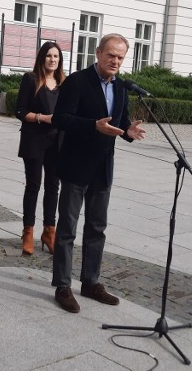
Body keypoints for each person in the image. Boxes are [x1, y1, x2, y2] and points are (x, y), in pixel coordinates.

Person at [51, 33, 146, 313]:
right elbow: (61, 119)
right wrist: (93, 125)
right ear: (98, 53)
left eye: (120, 57)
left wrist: (128, 131)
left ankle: (91, 281)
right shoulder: (78, 81)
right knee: (67, 228)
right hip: (75, 165)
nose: (115, 61)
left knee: (97, 228)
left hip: (103, 167)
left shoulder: (121, 87)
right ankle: (63, 285)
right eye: (111, 55)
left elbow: (121, 120)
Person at [14, 42, 65, 255]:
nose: (52, 59)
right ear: (42, 58)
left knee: (53, 187)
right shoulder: (31, 79)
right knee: (33, 185)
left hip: (57, 143)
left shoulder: (64, 83)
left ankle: (49, 231)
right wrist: (41, 118)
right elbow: (19, 110)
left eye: (56, 56)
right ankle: (28, 231)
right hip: (34, 139)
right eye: (48, 56)